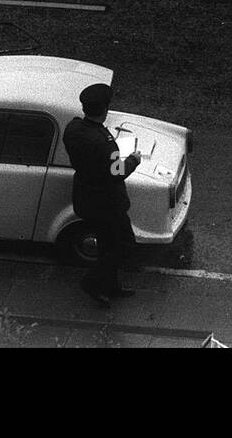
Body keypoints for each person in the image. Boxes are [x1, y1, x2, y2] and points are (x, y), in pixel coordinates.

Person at [62, 82, 140, 307]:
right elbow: (117, 173)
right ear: (105, 109)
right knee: (124, 246)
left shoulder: (74, 129)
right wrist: (134, 159)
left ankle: (111, 286)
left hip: (86, 197)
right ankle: (92, 281)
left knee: (106, 245)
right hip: (107, 203)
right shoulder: (105, 145)